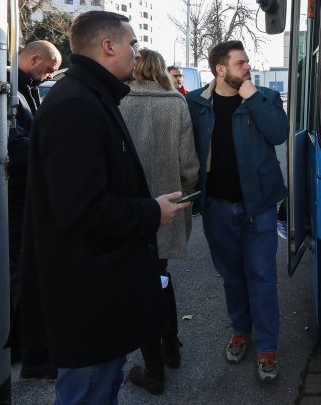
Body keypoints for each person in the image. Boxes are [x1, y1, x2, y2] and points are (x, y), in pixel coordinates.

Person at [18, 10, 191, 405]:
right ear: (108, 46)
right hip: (88, 300)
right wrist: (152, 213)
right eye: (132, 43)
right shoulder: (76, 104)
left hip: (97, 292)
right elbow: (82, 209)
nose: (136, 52)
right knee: (89, 392)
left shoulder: (90, 95)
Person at [187, 40, 288, 383]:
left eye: (247, 61)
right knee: (232, 276)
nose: (248, 66)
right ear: (220, 69)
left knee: (261, 276)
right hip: (216, 207)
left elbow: (278, 133)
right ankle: (241, 330)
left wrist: (252, 96)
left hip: (258, 205)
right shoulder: (196, 103)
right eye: (240, 62)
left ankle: (268, 346)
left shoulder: (266, 99)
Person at [120, 49, 200, 395]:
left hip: (130, 211)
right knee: (161, 276)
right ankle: (172, 349)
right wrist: (189, 194)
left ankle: (154, 371)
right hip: (167, 208)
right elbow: (189, 164)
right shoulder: (175, 103)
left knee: (140, 285)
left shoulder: (118, 103)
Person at [7, 40, 61, 379]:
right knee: (20, 272)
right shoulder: (12, 91)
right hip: (16, 196)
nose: (52, 74)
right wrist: (52, 147)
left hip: (23, 193)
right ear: (35, 59)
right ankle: (28, 350)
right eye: (50, 67)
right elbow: (12, 142)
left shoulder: (24, 88)